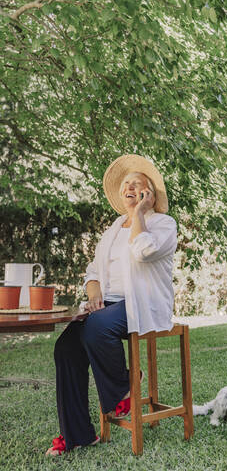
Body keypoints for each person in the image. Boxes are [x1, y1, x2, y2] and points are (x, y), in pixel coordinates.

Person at [46, 154, 177, 456]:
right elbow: (93, 271)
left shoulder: (163, 224)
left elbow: (143, 252)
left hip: (143, 304)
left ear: (150, 193)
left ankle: (123, 387)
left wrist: (140, 214)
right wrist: (93, 291)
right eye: (126, 184)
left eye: (137, 184)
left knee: (96, 327)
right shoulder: (113, 229)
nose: (129, 188)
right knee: (65, 346)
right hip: (109, 306)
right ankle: (77, 434)